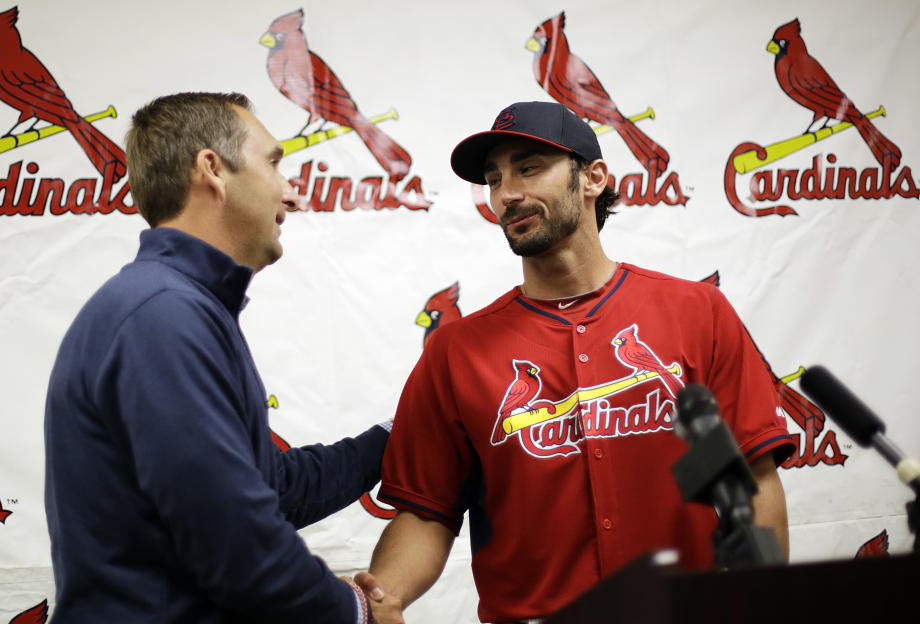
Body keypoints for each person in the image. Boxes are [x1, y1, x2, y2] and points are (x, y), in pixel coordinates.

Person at [362, 101, 794, 623]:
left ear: (593, 178)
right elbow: (427, 514)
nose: (507, 194)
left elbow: (753, 476)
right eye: (495, 179)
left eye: (529, 168)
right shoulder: (457, 352)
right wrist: (380, 601)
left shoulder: (695, 313)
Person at [44, 92, 402, 623]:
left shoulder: (177, 306)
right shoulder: (161, 316)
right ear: (212, 169)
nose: (292, 193)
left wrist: (397, 436)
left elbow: (268, 490)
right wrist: (355, 611)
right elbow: (236, 538)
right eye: (275, 163)